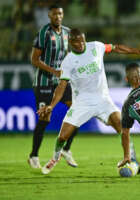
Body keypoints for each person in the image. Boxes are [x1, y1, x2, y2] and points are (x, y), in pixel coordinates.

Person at [37, 28, 140, 174]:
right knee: (63, 137)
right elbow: (61, 86)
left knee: (122, 126)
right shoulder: (68, 61)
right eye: (76, 41)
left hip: (103, 99)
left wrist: (138, 52)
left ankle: (133, 160)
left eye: (82, 40)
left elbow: (116, 48)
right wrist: (51, 106)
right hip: (81, 103)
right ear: (70, 42)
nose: (80, 44)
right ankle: (55, 157)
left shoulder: (96, 46)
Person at [28, 4, 78, 169]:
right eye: (55, 14)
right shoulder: (44, 33)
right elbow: (34, 59)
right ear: (49, 15)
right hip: (44, 82)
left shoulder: (67, 32)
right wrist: (53, 71)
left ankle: (67, 150)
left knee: (77, 111)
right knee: (45, 118)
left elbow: (70, 54)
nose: (58, 17)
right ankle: (34, 155)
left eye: (60, 14)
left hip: (62, 81)